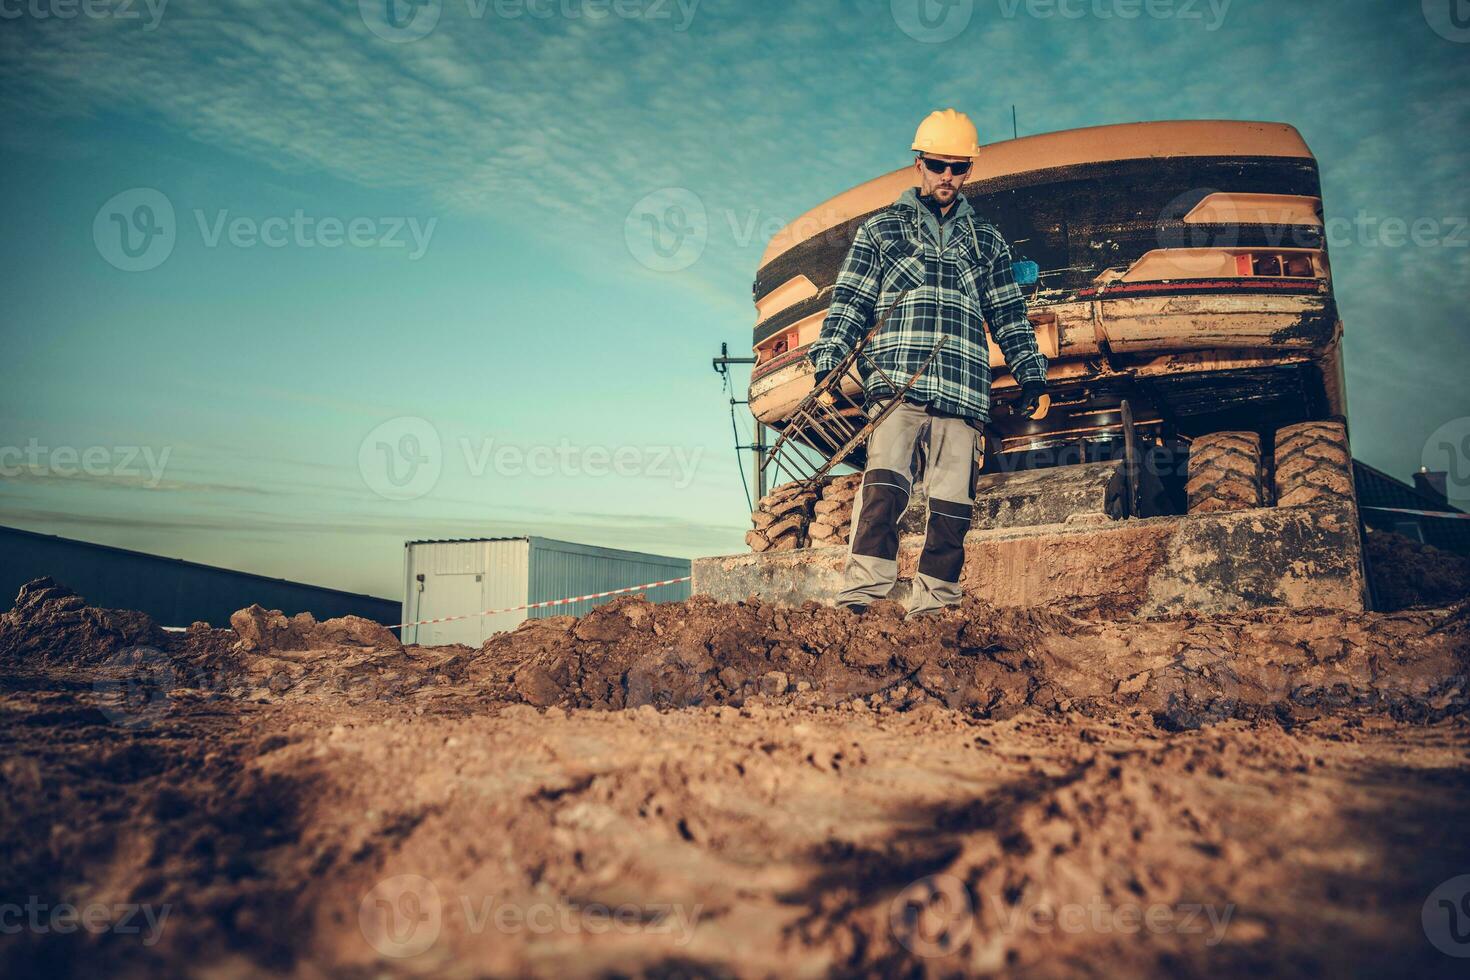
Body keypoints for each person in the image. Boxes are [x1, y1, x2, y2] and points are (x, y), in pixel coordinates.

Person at [806, 108, 1049, 617]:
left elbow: (1007, 311)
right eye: (938, 165)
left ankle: (935, 605)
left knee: (953, 507)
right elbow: (851, 301)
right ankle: (862, 597)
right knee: (884, 490)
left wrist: (1031, 373)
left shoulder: (986, 240)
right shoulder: (882, 230)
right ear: (919, 163)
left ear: (968, 171)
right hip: (897, 382)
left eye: (958, 167)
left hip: (963, 388)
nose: (947, 177)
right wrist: (827, 362)